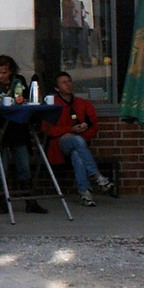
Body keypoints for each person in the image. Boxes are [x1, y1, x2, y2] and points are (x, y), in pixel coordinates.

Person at [0, 54, 47, 215]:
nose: (1, 76)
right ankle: (3, 202)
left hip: (17, 127)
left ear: (11, 71)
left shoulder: (19, 81)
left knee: (23, 165)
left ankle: (30, 202)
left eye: (4, 72)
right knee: (1, 166)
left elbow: (21, 97)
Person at [42, 70, 114, 207]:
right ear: (57, 88)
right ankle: (96, 176)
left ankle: (85, 192)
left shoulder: (83, 104)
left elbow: (94, 126)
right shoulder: (52, 105)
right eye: (64, 83)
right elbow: (46, 129)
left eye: (69, 81)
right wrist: (69, 131)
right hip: (58, 146)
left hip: (79, 145)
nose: (68, 85)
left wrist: (81, 132)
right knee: (77, 142)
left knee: (77, 153)